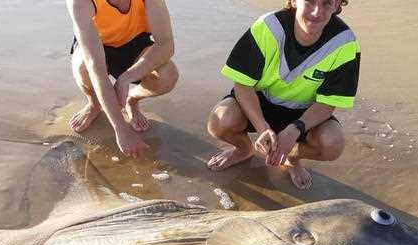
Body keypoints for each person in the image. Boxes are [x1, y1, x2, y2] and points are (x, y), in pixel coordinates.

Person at [207, 0, 360, 189]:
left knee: (333, 144)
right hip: (259, 102)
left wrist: (295, 129)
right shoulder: (268, 27)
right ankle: (244, 149)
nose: (316, 12)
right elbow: (242, 85)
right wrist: (262, 128)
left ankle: (291, 157)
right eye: (310, 1)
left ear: (337, 5)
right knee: (220, 122)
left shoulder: (344, 43)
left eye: (327, 3)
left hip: (304, 113)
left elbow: (327, 104)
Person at [66, 0, 179, 157]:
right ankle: (94, 104)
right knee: (83, 66)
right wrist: (120, 128)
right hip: (98, 44)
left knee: (168, 74)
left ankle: (131, 101)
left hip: (135, 41)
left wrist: (126, 78)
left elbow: (166, 45)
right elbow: (95, 68)